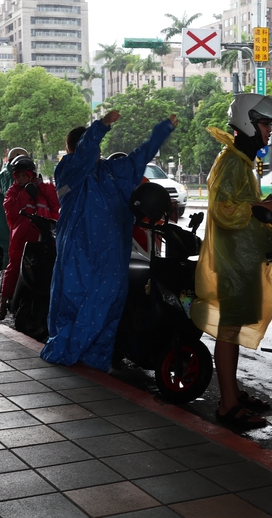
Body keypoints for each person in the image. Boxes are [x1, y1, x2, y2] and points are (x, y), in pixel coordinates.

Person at [41, 112, 178, 369]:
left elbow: (140, 157)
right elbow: (83, 154)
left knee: (108, 306)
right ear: (73, 149)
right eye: (89, 145)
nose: (94, 151)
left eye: (97, 147)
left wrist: (163, 130)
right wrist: (100, 127)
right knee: (75, 303)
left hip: (112, 256)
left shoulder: (113, 172)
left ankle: (95, 360)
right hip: (78, 254)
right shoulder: (68, 170)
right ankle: (67, 350)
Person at [189, 93, 272, 430]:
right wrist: (263, 208)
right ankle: (228, 403)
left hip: (242, 261)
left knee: (232, 332)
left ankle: (234, 392)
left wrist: (265, 205)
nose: (269, 131)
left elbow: (240, 205)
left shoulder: (241, 161)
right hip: (233, 263)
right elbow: (223, 210)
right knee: (229, 333)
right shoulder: (231, 162)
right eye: (265, 124)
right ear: (248, 123)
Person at [0, 157, 60, 320]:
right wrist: (26, 192)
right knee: (14, 267)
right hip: (21, 240)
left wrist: (40, 187)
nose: (20, 179)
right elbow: (11, 211)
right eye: (18, 176)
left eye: (24, 176)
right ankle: (2, 303)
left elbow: (55, 204)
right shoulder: (12, 192)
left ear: (31, 175)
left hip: (43, 238)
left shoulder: (41, 189)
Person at [0, 147, 29, 271]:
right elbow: (13, 202)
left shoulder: (8, 173)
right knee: (11, 256)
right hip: (4, 223)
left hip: (5, 221)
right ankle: (5, 287)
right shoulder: (9, 175)